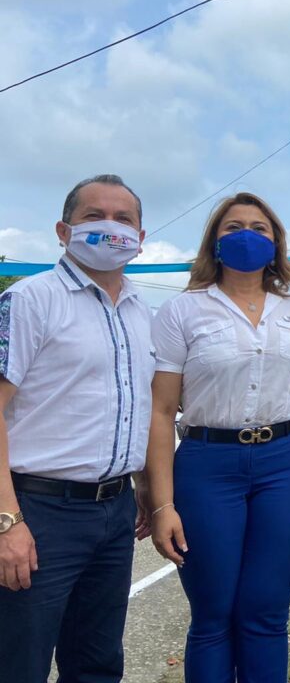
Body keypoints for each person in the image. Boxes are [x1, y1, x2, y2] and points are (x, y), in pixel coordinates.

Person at [145, 192, 290, 682]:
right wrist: (162, 505)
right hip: (207, 465)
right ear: (214, 242)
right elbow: (159, 412)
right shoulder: (182, 312)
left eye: (259, 228)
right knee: (213, 613)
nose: (247, 235)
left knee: (266, 614)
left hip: (284, 465)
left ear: (276, 242)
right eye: (233, 227)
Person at [0, 174, 154, 683]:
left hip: (114, 515)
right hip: (40, 513)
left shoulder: (140, 314)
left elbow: (139, 408)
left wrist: (145, 493)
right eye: (94, 216)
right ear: (63, 231)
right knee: (19, 661)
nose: (110, 227)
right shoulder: (28, 301)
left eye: (123, 218)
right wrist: (7, 522)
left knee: (97, 663)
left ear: (140, 237)